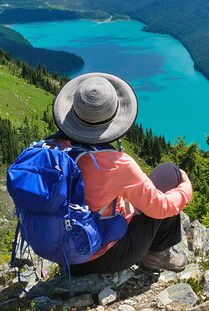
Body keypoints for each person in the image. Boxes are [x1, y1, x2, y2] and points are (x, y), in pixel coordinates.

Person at [47, 72, 193, 274]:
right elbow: (160, 207)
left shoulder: (51, 150)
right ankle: (156, 256)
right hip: (103, 258)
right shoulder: (114, 164)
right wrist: (185, 189)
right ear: (113, 118)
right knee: (170, 172)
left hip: (64, 255)